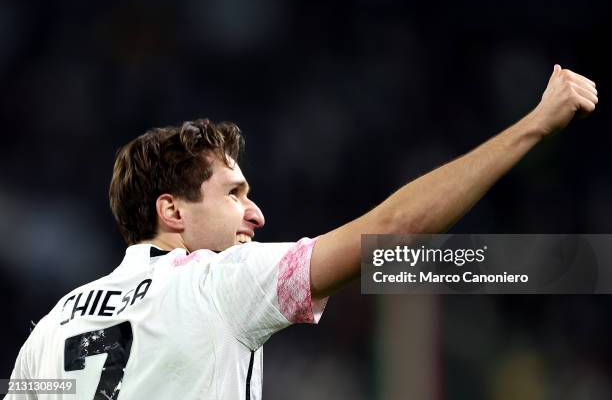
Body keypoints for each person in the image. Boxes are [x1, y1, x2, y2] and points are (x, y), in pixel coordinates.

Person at [7, 65, 597, 400]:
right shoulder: (219, 283)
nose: (256, 214)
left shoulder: (52, 327)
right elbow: (393, 232)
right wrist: (534, 126)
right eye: (234, 194)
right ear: (173, 211)